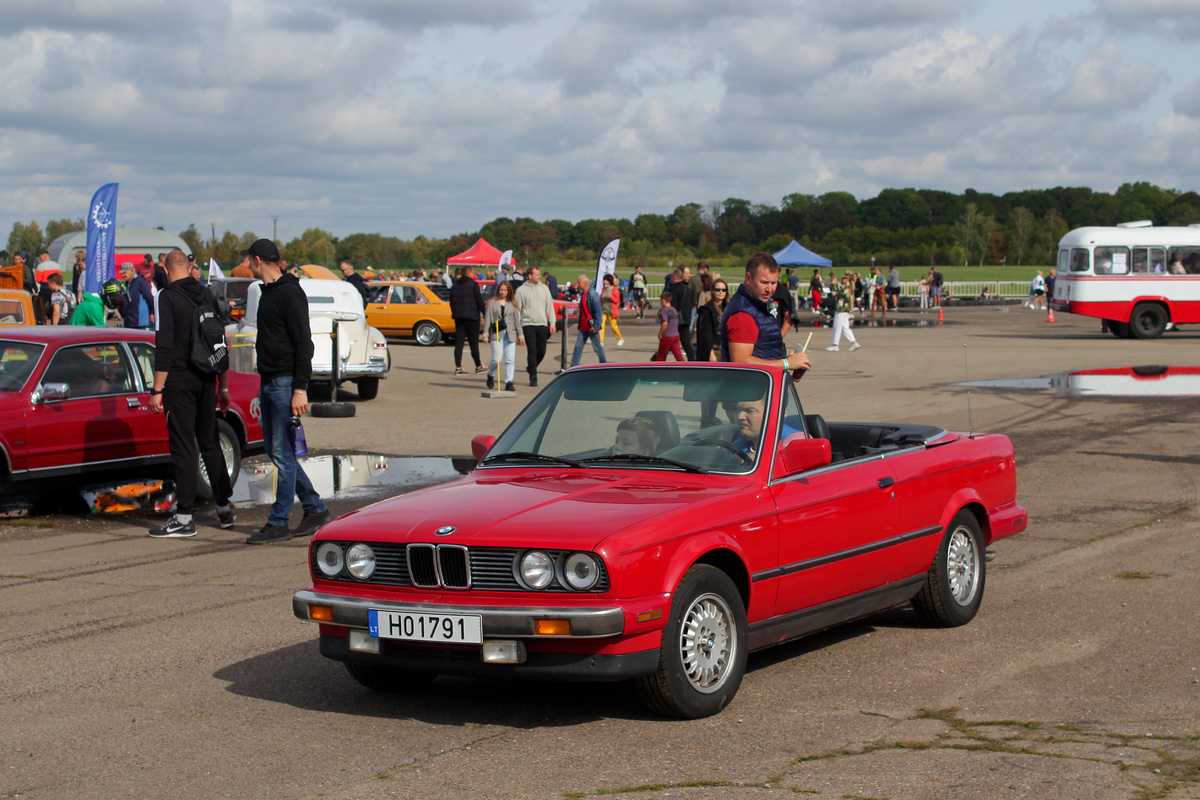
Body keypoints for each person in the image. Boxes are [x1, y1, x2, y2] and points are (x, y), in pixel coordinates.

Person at [243, 238, 331, 544]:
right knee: (276, 451)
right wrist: (261, 383)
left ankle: (279, 521)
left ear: (257, 260)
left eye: (248, 260)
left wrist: (300, 389)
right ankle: (315, 508)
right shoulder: (265, 292)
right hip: (269, 381)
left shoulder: (290, 293)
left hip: (285, 383)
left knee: (282, 455)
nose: (247, 265)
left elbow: (303, 343)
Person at [146, 250, 236, 538]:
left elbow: (164, 345)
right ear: (190, 267)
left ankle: (184, 517)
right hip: (207, 376)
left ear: (166, 268)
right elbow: (220, 342)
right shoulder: (206, 293)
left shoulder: (166, 296)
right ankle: (224, 507)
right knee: (209, 442)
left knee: (184, 446)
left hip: (179, 379)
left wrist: (157, 389)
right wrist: (222, 387)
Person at [720, 252, 812, 374]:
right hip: (750, 389)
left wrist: (792, 362)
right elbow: (741, 361)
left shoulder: (756, 305)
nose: (769, 289)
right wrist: (786, 363)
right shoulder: (743, 314)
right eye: (764, 282)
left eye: (774, 283)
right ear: (748, 278)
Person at [515, 266, 555, 387]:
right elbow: (517, 310)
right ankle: (533, 377)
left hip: (542, 324)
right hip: (527, 325)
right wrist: (519, 330)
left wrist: (552, 322)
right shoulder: (521, 290)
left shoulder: (544, 289)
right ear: (529, 276)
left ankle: (531, 367)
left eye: (539, 274)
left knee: (541, 351)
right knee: (531, 351)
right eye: (537, 274)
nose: (539, 276)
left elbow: (550, 306)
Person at [482, 280, 524, 392]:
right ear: (498, 290)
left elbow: (517, 321)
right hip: (497, 333)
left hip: (510, 333)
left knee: (510, 360)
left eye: (505, 290)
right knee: (497, 359)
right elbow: (488, 319)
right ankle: (491, 374)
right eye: (501, 290)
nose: (503, 292)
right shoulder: (492, 302)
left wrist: (521, 335)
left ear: (509, 291)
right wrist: (485, 334)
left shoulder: (513, 304)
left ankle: (509, 382)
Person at [450, 266, 486, 375]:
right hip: (472, 317)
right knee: (473, 343)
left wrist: (455, 313)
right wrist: (486, 314)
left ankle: (458, 367)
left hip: (459, 317)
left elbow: (452, 302)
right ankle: (478, 366)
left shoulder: (454, 286)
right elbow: (479, 301)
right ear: (469, 273)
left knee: (459, 343)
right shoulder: (473, 285)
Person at [569, 274, 607, 367]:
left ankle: (605, 366)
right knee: (578, 347)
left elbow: (598, 312)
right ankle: (573, 367)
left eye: (579, 282)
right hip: (583, 327)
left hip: (591, 327)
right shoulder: (583, 294)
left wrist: (597, 326)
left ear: (585, 283)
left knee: (597, 348)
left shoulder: (593, 294)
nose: (577, 284)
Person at [825, 272, 862, 352]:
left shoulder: (847, 288)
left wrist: (833, 285)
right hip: (844, 310)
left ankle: (835, 344)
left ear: (847, 279)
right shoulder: (847, 288)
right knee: (845, 327)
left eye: (843, 278)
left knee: (837, 327)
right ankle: (854, 342)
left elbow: (835, 293)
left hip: (842, 310)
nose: (842, 279)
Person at [695, 279, 729, 362]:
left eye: (723, 290)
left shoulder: (728, 308)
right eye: (718, 290)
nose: (720, 292)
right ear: (712, 291)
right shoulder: (707, 310)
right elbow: (706, 335)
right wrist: (710, 353)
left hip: (726, 350)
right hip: (714, 350)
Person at [667, 266, 695, 360]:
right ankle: (692, 359)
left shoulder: (674, 288)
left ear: (675, 277)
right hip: (686, 317)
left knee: (668, 339)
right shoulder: (686, 288)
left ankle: (659, 359)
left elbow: (674, 305)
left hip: (677, 319)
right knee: (686, 341)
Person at [650, 292, 684, 362]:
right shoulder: (674, 310)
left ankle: (658, 369)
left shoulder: (664, 311)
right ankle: (685, 367)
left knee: (660, 356)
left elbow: (665, 323)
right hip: (676, 335)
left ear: (663, 300)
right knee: (678, 355)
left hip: (667, 335)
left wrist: (660, 333)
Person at [123, 262, 156, 328]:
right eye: (122, 273)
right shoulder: (127, 283)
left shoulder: (141, 282)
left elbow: (149, 298)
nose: (123, 275)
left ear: (132, 271)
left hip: (139, 322)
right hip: (129, 321)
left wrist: (152, 313)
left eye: (124, 272)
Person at [598, 273, 623, 346]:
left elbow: (617, 300)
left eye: (605, 280)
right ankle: (601, 341)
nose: (604, 281)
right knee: (601, 325)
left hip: (612, 310)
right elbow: (601, 298)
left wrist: (611, 297)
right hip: (604, 309)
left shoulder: (615, 290)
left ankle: (620, 338)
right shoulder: (604, 290)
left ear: (609, 280)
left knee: (613, 326)